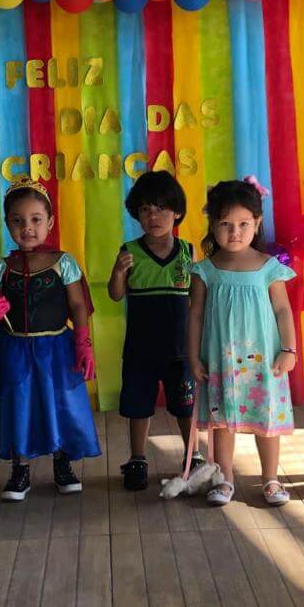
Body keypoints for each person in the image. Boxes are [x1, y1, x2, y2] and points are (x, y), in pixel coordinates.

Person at [0, 177, 100, 502]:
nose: (28, 228)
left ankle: (63, 464)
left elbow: (78, 305)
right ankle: (20, 470)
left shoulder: (64, 263)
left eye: (36, 219)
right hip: (14, 348)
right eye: (18, 221)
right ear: (7, 223)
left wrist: (83, 343)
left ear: (49, 222)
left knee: (59, 405)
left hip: (57, 349)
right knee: (19, 405)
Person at [187, 177, 297, 507]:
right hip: (221, 361)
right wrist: (193, 357)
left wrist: (289, 349)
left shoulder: (268, 268)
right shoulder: (205, 270)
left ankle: (271, 479)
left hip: (264, 361)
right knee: (222, 423)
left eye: (243, 224)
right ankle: (224, 479)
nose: (234, 232)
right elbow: (195, 316)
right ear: (212, 224)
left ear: (257, 223)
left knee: (267, 421)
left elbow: (282, 310)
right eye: (225, 224)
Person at [108, 170, 195, 492]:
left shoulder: (188, 251)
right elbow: (116, 295)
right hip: (140, 350)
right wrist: (118, 271)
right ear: (136, 214)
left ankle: (192, 455)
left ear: (177, 212)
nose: (153, 216)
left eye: (161, 208)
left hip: (180, 349)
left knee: (186, 406)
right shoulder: (129, 251)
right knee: (138, 406)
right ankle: (138, 458)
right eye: (145, 209)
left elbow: (197, 300)